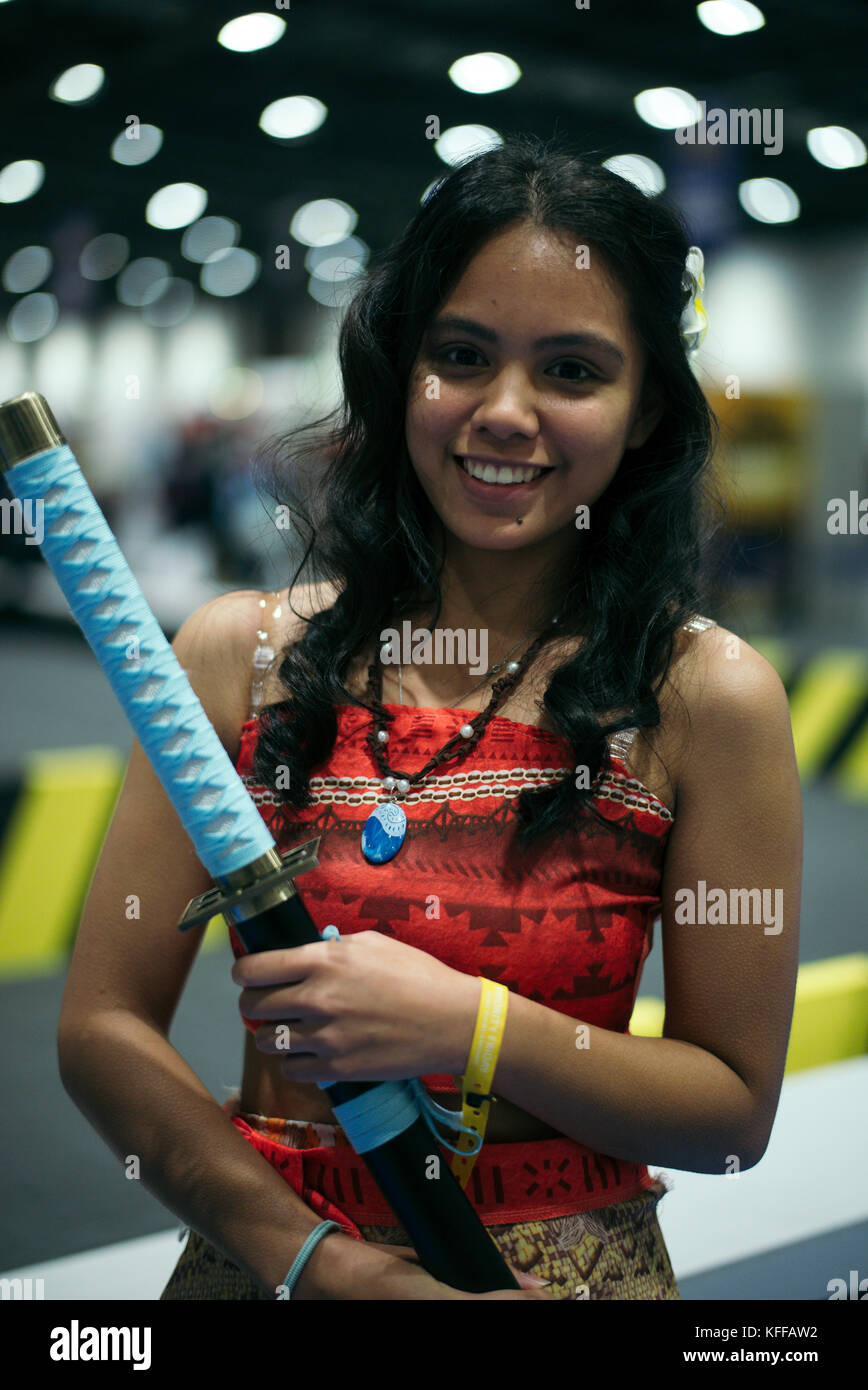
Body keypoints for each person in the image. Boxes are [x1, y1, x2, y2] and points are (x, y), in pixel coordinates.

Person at [58, 133, 803, 1301]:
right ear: (400, 367)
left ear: (648, 405)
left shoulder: (705, 697)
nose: (504, 412)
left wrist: (472, 1026)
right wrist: (315, 1261)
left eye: (571, 370)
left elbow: (729, 1117)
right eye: (460, 354)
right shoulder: (240, 656)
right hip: (266, 1270)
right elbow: (101, 1027)